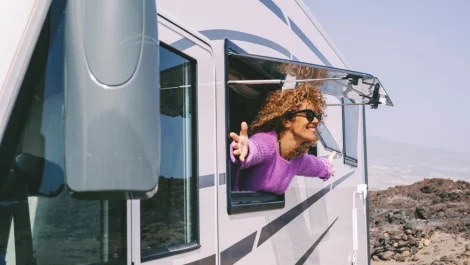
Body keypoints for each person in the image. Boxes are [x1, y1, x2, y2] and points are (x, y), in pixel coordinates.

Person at [229, 84, 335, 195]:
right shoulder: (268, 142)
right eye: (309, 114)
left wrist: (327, 167)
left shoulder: (296, 159)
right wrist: (245, 149)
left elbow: (316, 166)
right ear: (287, 121)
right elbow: (256, 148)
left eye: (317, 116)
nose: (316, 121)